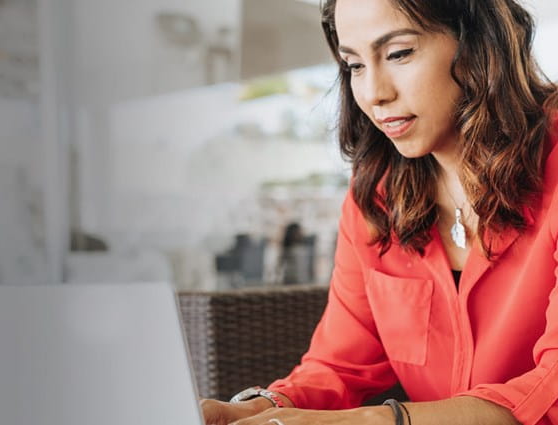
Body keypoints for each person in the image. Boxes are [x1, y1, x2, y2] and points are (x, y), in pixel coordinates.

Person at [201, 0, 558, 423]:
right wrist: (257, 409)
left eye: (398, 53)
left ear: (479, 42)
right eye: (354, 65)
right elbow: (340, 366)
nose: (374, 93)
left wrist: (380, 420)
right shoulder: (376, 197)